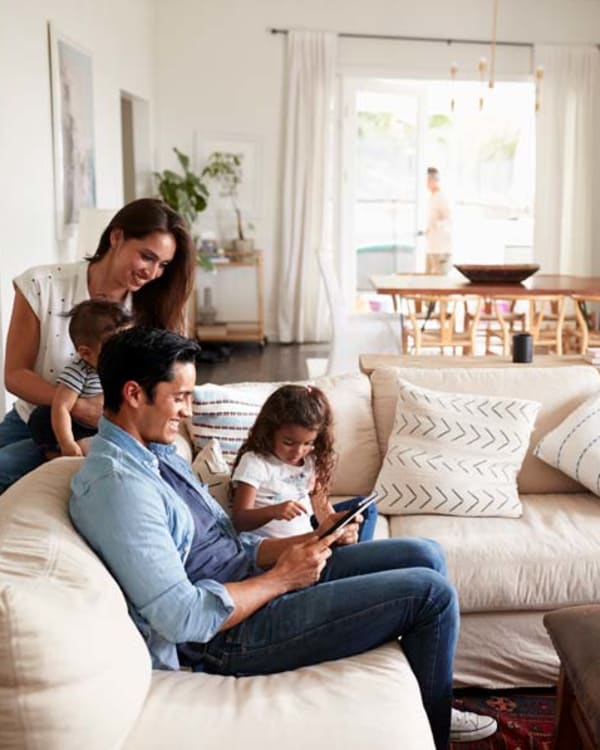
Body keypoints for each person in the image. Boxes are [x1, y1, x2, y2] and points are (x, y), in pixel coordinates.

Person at [69, 327, 497, 749]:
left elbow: (228, 542)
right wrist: (283, 579)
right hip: (226, 635)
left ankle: (429, 698)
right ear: (133, 394)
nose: (186, 412)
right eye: (178, 397)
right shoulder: (120, 487)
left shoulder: (156, 454)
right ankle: (436, 726)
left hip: (254, 580)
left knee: (424, 553)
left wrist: (299, 545)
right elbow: (182, 618)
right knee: (430, 594)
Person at [0, 197, 195, 493]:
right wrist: (76, 406)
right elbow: (15, 374)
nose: (153, 272)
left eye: (163, 265)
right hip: (34, 415)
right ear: (116, 237)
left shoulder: (152, 309)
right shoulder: (42, 284)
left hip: (109, 429)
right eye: (146, 256)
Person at [230, 384, 378, 541]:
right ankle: (355, 558)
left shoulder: (309, 460)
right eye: (288, 442)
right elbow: (239, 520)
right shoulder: (255, 462)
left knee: (365, 508)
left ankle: (353, 554)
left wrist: (337, 532)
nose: (298, 452)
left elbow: (321, 508)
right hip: (281, 550)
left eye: (308, 443)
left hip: (310, 540)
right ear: (269, 431)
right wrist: (273, 511)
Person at [28, 299, 133, 458]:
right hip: (78, 428)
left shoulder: (126, 367)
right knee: (42, 416)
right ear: (86, 353)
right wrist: (67, 442)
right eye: (115, 350)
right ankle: (57, 455)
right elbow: (62, 407)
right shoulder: (79, 371)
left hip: (109, 427)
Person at [425, 167, 452, 275]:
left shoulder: (442, 198)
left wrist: (435, 226)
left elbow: (449, 221)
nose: (426, 183)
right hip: (431, 247)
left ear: (434, 180)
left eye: (428, 180)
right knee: (427, 280)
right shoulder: (432, 198)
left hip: (441, 249)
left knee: (439, 281)